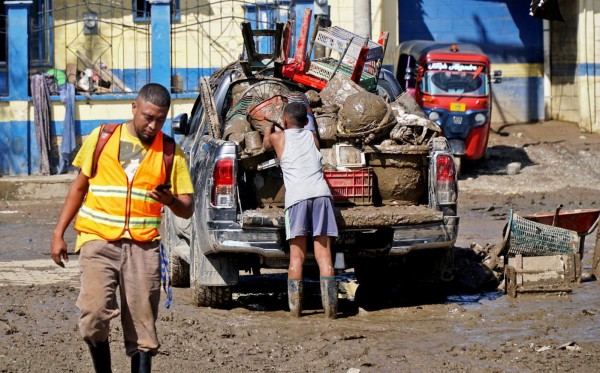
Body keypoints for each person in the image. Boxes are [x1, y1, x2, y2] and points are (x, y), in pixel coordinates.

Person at [50, 83, 194, 372]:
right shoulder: (102, 137)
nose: (153, 125)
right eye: (147, 116)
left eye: (160, 119)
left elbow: (187, 207)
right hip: (97, 241)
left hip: (143, 247)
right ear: (134, 108)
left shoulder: (169, 151)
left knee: (143, 327)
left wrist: (169, 200)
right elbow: (79, 188)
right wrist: (58, 233)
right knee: (92, 317)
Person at [263, 101, 339, 319]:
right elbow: (309, 127)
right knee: (324, 257)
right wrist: (308, 117)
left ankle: (296, 312)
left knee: (296, 258)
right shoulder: (312, 137)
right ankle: (331, 313)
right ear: (306, 122)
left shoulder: (279, 137)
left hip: (297, 199)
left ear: (285, 120)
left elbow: (266, 145)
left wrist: (271, 125)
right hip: (322, 195)